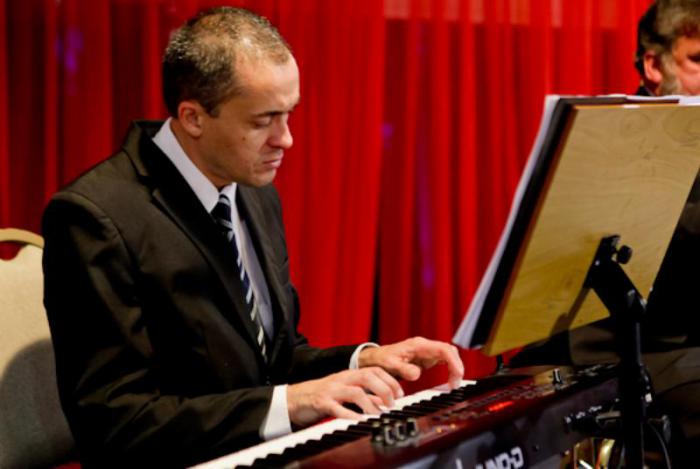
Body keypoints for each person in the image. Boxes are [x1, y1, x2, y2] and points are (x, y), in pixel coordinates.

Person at [41, 7, 464, 467]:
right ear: (193, 117)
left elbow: (273, 360)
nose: (286, 140)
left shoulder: (254, 192)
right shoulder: (93, 217)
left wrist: (361, 362)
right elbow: (116, 424)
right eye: (264, 121)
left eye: (289, 114)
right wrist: (289, 403)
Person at [512, 1, 700, 465]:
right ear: (654, 66)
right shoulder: (623, 135)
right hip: (616, 347)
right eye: (697, 60)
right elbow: (675, 234)